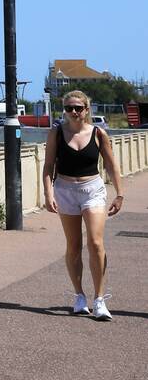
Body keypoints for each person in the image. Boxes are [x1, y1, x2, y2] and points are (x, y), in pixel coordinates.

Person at [43, 89, 124, 321]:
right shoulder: (56, 133)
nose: (74, 112)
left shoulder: (98, 133)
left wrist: (120, 194)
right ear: (64, 110)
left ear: (87, 110)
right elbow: (48, 166)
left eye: (78, 108)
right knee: (73, 245)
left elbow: (111, 165)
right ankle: (79, 296)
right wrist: (48, 193)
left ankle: (99, 300)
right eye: (69, 108)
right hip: (65, 190)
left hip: (92, 189)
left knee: (96, 243)